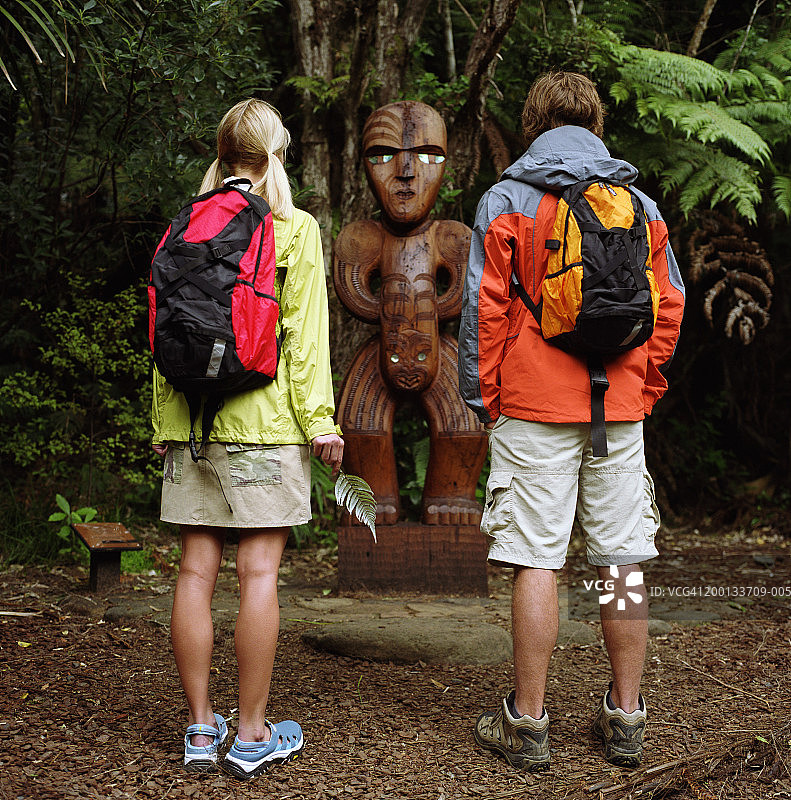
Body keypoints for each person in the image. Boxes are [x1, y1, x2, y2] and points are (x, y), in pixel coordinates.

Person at [458, 72, 684, 770]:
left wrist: (483, 395)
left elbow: (482, 309)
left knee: (536, 560)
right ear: (596, 123)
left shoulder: (507, 198)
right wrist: (641, 386)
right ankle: (625, 717)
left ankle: (527, 723)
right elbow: (668, 304)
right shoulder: (638, 203)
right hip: (616, 406)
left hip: (530, 404)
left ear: (532, 124)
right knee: (621, 560)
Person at [151, 99, 344, 780]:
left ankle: (201, 729)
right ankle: (254, 733)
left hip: (190, 426)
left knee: (194, 574)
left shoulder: (184, 225)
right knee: (258, 575)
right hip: (263, 428)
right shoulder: (292, 227)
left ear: (224, 151)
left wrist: (162, 423)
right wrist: (320, 421)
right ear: (274, 155)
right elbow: (305, 338)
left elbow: (160, 330)